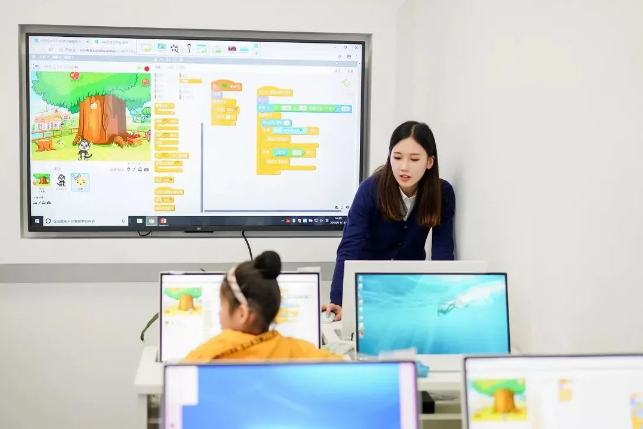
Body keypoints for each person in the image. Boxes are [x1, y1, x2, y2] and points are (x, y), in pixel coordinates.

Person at [322, 121, 455, 320]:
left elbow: (442, 247)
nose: (404, 167)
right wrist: (339, 300)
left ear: (429, 162)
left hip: (410, 285)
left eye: (414, 159)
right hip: (367, 284)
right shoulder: (370, 189)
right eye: (397, 157)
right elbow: (350, 246)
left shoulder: (442, 193)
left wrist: (444, 295)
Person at [182, 250, 342, 361]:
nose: (219, 313)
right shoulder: (301, 352)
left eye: (222, 306)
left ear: (243, 313)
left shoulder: (208, 354)